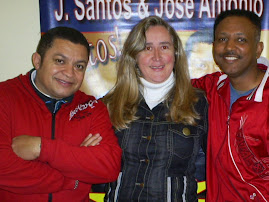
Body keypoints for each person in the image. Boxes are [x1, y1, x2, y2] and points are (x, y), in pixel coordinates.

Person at [0, 26, 122, 202]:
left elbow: (109, 167)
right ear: (37, 60)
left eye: (79, 66)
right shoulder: (5, 96)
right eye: (59, 61)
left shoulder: (92, 107)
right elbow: (3, 167)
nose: (69, 73)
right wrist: (71, 179)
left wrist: (41, 148)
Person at [103, 16, 208, 201]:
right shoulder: (110, 105)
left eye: (164, 47)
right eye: (147, 48)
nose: (157, 57)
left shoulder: (199, 103)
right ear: (134, 55)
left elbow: (223, 165)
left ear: (175, 54)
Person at [192, 9, 269, 201]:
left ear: (258, 48)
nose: (229, 48)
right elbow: (162, 86)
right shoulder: (211, 87)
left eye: (241, 40)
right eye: (222, 39)